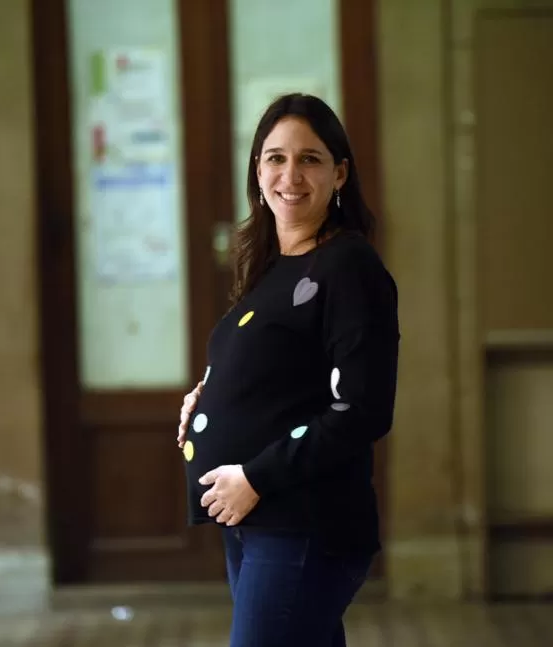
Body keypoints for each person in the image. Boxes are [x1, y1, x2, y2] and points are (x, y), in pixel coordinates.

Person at [176, 93, 400, 647]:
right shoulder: (273, 267)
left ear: (339, 173)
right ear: (257, 170)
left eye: (310, 159)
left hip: (302, 522)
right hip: (260, 523)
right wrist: (210, 393)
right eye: (275, 158)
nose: (290, 175)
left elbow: (361, 409)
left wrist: (255, 477)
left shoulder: (347, 266)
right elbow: (285, 371)